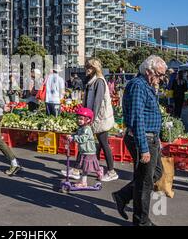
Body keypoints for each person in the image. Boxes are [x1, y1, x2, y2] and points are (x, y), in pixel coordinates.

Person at [112, 55, 167, 226]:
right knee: (145, 182)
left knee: (156, 173)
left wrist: (157, 139)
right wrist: (143, 148)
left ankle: (123, 195)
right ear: (148, 70)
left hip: (151, 138)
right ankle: (141, 221)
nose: (160, 78)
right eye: (158, 74)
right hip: (143, 139)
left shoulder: (147, 85)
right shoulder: (138, 86)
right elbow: (137, 119)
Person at [83, 59, 118, 182]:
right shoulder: (92, 81)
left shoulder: (99, 81)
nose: (87, 69)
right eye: (86, 66)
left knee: (103, 143)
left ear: (95, 68)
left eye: (90, 67)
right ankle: (96, 167)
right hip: (96, 117)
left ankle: (111, 171)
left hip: (99, 118)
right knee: (98, 143)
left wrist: (90, 118)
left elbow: (97, 102)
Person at [67, 107, 104, 188]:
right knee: (90, 165)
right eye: (78, 118)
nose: (79, 120)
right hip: (84, 151)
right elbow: (77, 134)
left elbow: (83, 139)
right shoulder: (81, 128)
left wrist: (74, 138)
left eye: (81, 119)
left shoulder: (87, 129)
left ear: (87, 120)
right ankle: (99, 170)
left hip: (89, 151)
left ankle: (84, 183)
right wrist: (72, 136)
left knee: (85, 168)